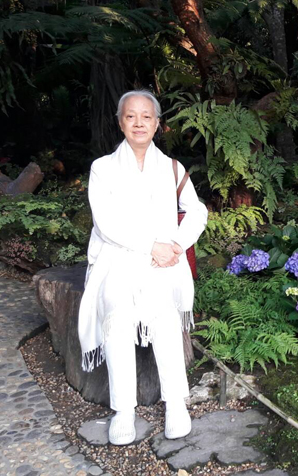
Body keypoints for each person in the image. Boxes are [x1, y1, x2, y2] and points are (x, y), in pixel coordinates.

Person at [78, 90, 208, 445]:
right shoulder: (103, 168)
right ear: (121, 122)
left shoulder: (171, 168)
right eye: (131, 116)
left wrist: (176, 245)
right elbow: (105, 222)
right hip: (116, 258)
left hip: (162, 258)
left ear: (157, 123)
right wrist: (151, 246)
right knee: (117, 312)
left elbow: (197, 211)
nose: (139, 123)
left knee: (164, 313)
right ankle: (123, 409)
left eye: (146, 116)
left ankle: (176, 402)